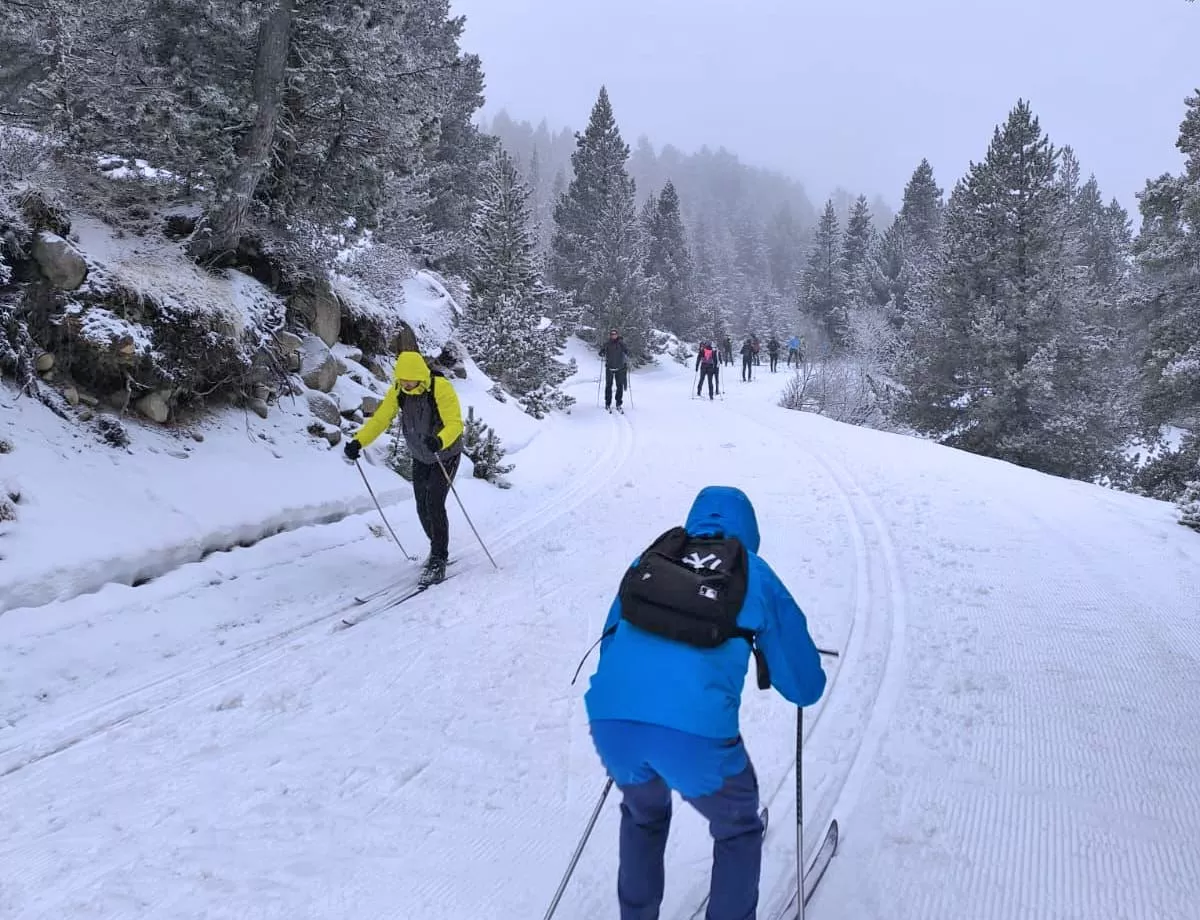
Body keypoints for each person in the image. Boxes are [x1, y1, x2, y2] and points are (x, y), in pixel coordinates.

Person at [584, 486, 827, 920]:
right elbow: (804, 687)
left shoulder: (652, 559)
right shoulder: (753, 571)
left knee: (643, 815)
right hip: (694, 737)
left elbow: (610, 643)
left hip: (612, 721)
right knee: (736, 829)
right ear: (749, 529)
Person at [343, 351, 464, 586]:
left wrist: (440, 440)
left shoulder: (440, 388)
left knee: (435, 503)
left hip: (445, 453)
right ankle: (435, 545)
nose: (407, 384)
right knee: (421, 506)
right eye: (403, 379)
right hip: (420, 455)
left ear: (420, 375)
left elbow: (455, 423)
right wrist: (359, 441)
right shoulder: (399, 390)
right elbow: (380, 420)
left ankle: (439, 559)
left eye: (411, 380)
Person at [599, 329, 629, 412]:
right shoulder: (607, 344)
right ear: (610, 335)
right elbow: (601, 352)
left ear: (617, 335)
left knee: (619, 386)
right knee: (609, 386)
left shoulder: (621, 343)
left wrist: (626, 353)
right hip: (609, 368)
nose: (613, 335)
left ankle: (618, 403)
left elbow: (627, 351)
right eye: (612, 334)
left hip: (620, 368)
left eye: (615, 334)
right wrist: (602, 352)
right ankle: (607, 403)